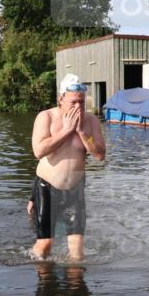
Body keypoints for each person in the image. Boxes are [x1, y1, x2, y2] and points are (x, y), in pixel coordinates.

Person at [30, 74, 105, 261]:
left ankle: (75, 287)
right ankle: (43, 278)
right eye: (73, 103)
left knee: (77, 253)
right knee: (46, 244)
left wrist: (81, 132)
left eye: (81, 102)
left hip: (75, 190)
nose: (78, 107)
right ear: (61, 99)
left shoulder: (91, 121)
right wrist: (66, 131)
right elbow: (38, 151)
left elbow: (100, 155)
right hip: (47, 187)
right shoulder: (46, 117)